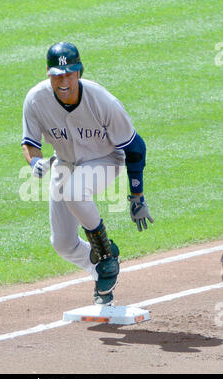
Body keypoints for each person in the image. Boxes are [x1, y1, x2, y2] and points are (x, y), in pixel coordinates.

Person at [21, 42, 153, 305]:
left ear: (79, 72)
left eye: (69, 74)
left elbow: (135, 148)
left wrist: (136, 195)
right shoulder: (36, 100)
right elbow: (30, 143)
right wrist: (34, 162)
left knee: (74, 191)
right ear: (48, 74)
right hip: (65, 162)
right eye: (57, 75)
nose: (63, 81)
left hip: (105, 159)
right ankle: (100, 272)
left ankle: (106, 253)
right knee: (63, 243)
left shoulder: (102, 101)